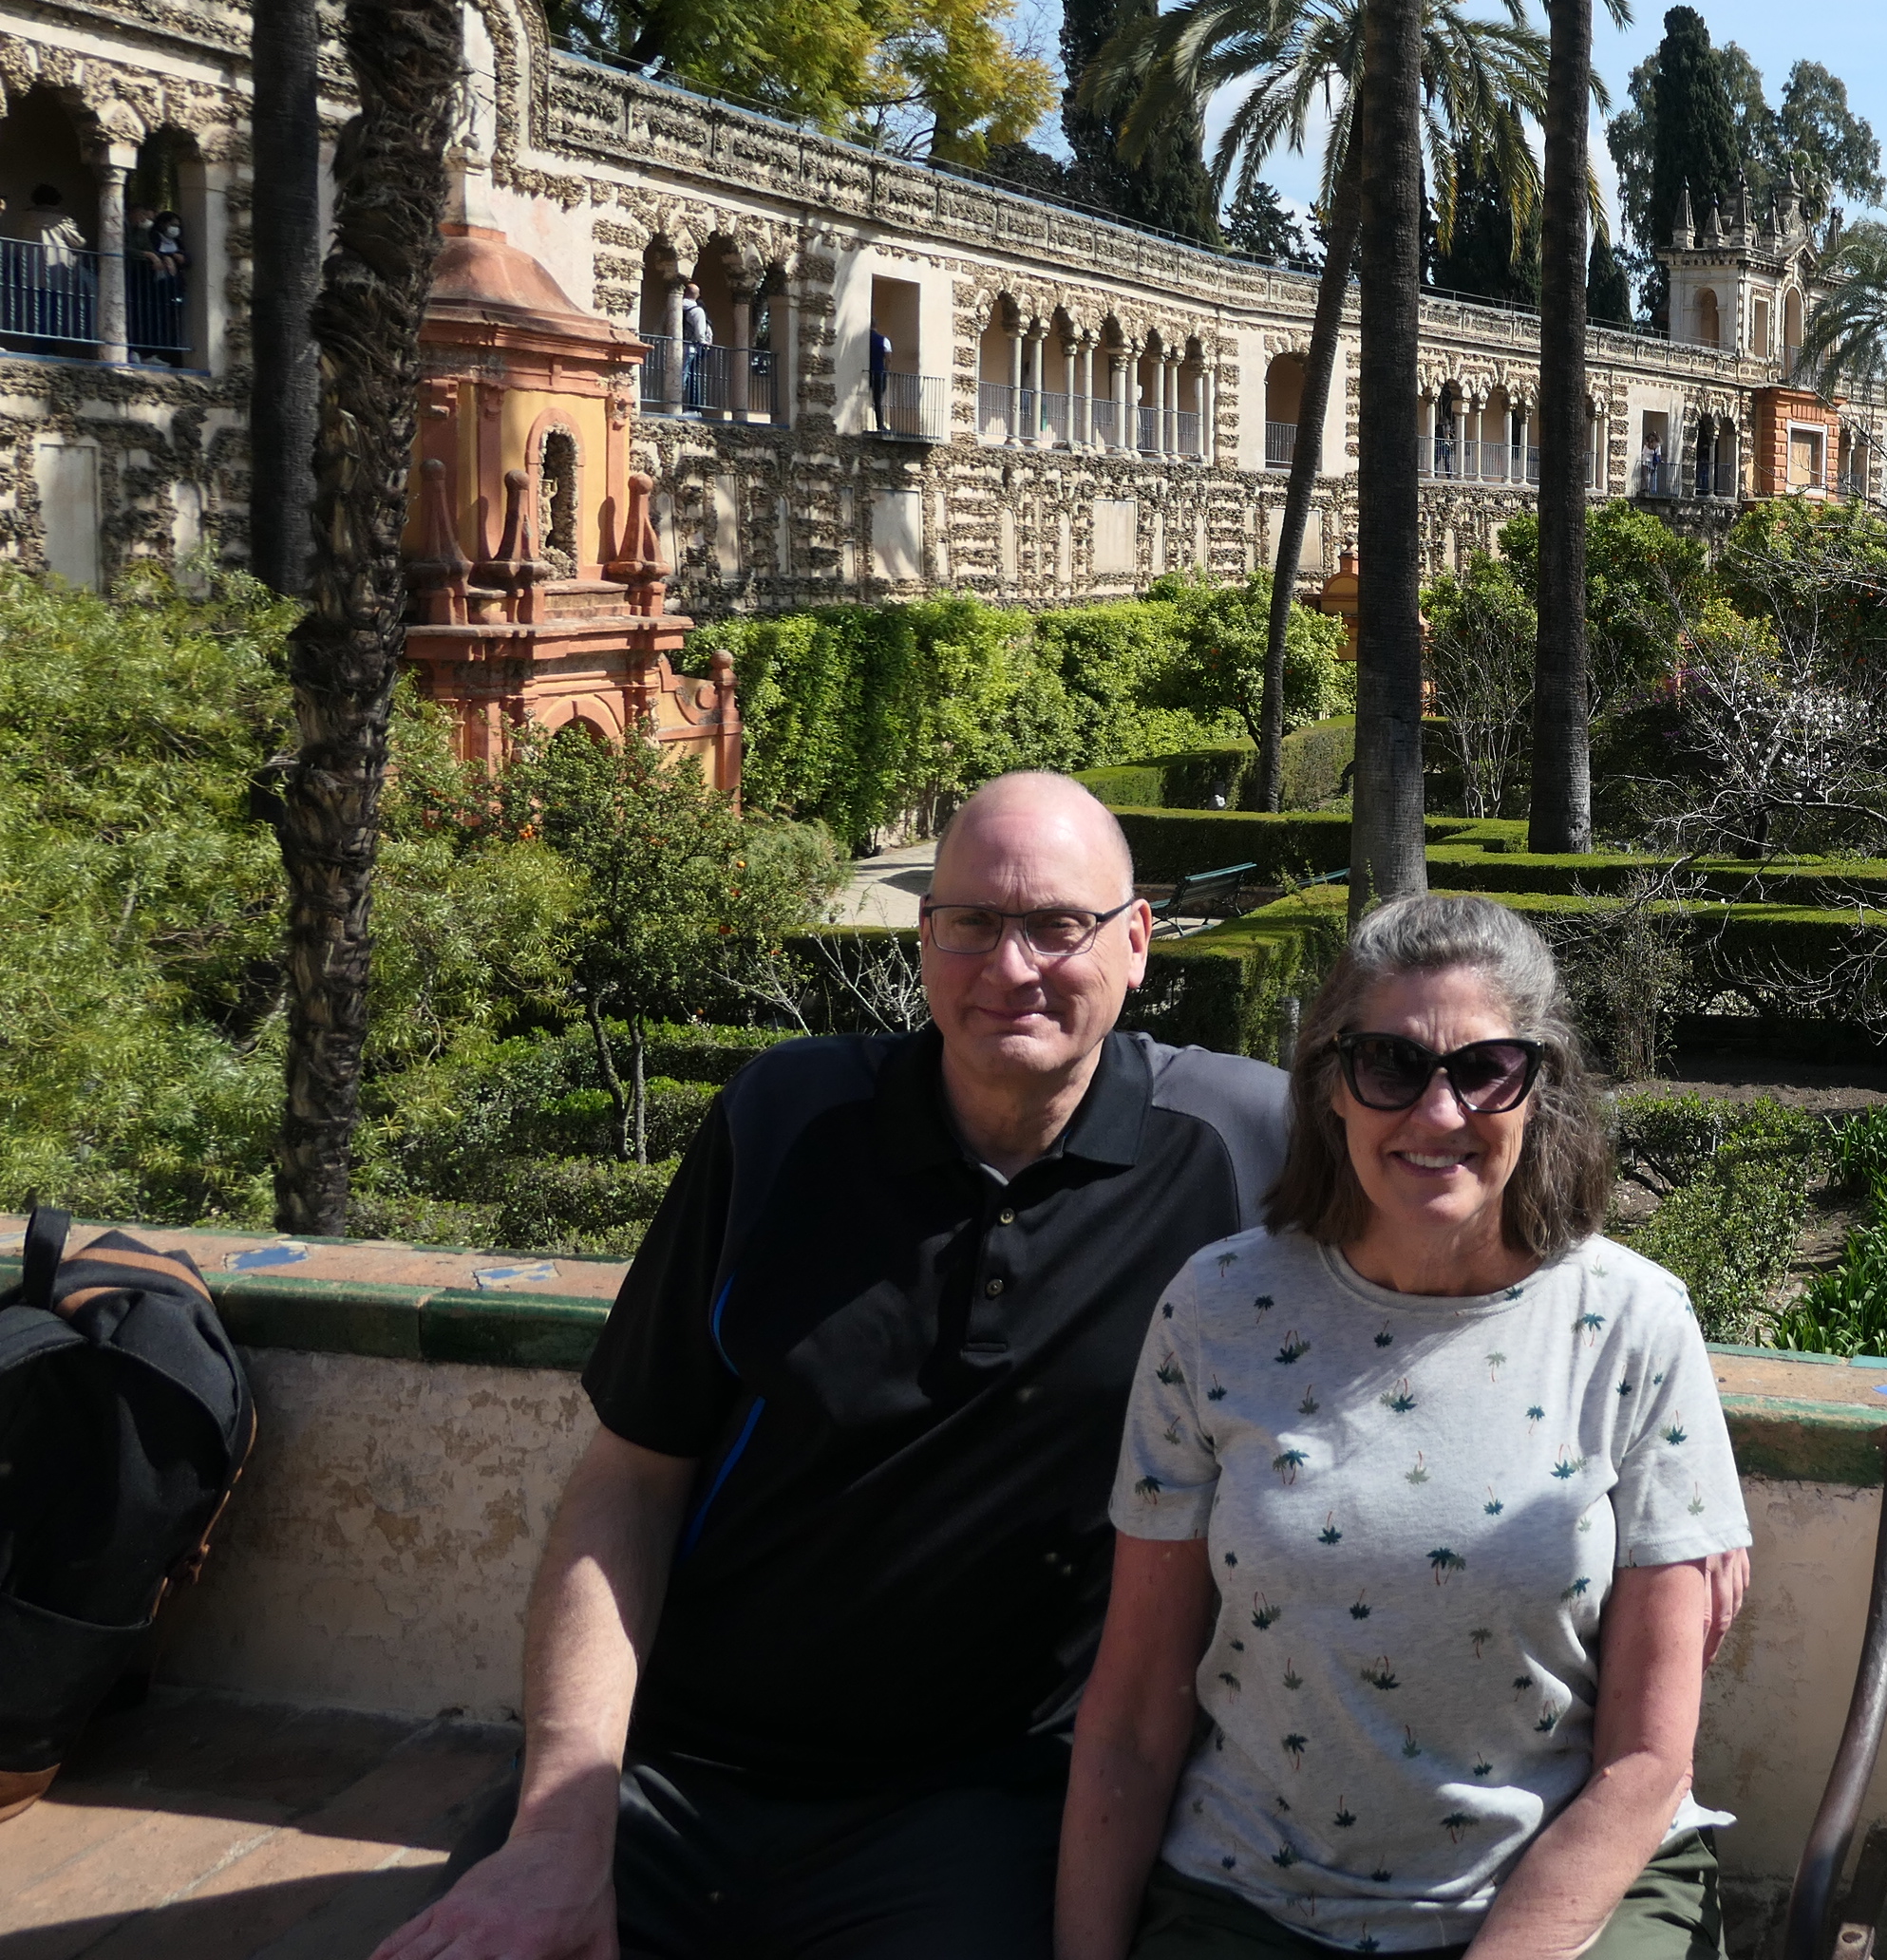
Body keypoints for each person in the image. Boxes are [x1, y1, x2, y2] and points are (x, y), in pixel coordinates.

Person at [378, 772, 1293, 1960]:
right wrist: (561, 1823)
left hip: (981, 1804)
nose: (1010, 967)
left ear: (1136, 941)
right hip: (675, 1770)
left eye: (1058, 925)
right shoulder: (783, 1123)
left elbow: (1450, 1219)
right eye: (971, 923)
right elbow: (631, 1480)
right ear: (923, 938)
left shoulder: (1238, 1148)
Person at [1059, 896, 1749, 1960]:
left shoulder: (1632, 1324)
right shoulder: (1217, 1310)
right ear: (1331, 1086)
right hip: (1252, 1899)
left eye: (1486, 1070)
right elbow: (1136, 1712)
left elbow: (1648, 1763)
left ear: (1539, 1091)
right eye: (1391, 1065)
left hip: (1568, 1882)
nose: (1438, 1113)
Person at [677, 282, 712, 411]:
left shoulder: (675, 307)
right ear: (697, 295)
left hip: (675, 347)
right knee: (688, 375)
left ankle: (674, 405)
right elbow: (699, 333)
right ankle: (690, 408)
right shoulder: (697, 311)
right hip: (691, 347)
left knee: (677, 375)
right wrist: (704, 342)